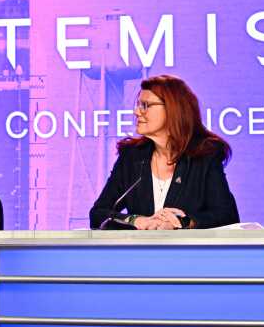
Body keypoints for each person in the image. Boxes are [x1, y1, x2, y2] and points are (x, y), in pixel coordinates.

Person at [89, 74, 239, 230]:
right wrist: (136, 220)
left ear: (172, 109)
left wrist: (184, 222)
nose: (137, 112)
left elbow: (226, 216)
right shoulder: (131, 157)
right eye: (138, 104)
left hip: (187, 253)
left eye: (145, 105)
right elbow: (98, 214)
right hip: (139, 253)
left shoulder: (205, 157)